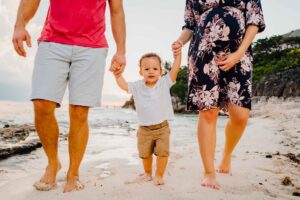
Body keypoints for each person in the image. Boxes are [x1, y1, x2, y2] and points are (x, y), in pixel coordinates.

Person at [12, 0, 126, 192]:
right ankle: (52, 163)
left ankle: (73, 172)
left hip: (92, 47)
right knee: (41, 104)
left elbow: (117, 10)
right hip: (52, 42)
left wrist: (121, 50)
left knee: (79, 111)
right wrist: (20, 25)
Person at [172, 0, 265, 190]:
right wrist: (180, 41)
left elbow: (254, 21)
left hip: (239, 54)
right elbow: (191, 24)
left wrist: (239, 53)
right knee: (208, 111)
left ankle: (227, 153)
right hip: (203, 53)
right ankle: (209, 172)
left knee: (240, 116)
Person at [111, 52, 181, 185]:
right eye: (146, 69)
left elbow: (175, 69)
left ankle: (159, 175)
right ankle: (148, 173)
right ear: (140, 72)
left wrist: (178, 55)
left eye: (155, 69)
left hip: (162, 128)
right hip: (144, 129)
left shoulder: (164, 83)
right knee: (145, 153)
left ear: (161, 71)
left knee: (162, 153)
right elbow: (124, 86)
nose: (151, 71)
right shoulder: (137, 86)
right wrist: (118, 75)